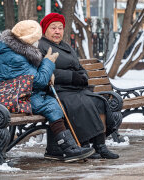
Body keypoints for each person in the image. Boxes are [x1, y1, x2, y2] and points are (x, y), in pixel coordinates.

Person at [0, 20, 94, 162]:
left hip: (24, 93)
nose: (39, 41)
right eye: (37, 38)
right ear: (28, 39)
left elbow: (34, 79)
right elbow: (39, 80)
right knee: (49, 105)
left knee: (53, 104)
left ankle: (62, 148)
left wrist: (48, 72)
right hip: (13, 97)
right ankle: (67, 148)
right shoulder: (15, 57)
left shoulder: (20, 52)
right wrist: (48, 62)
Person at [38, 13, 119, 159]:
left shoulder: (66, 46)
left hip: (74, 89)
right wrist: (71, 77)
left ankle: (100, 145)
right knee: (80, 103)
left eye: (60, 28)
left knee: (99, 101)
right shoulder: (41, 46)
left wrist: (82, 76)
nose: (57, 31)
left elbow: (78, 66)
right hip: (56, 91)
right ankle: (82, 144)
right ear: (45, 30)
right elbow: (45, 70)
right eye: (53, 28)